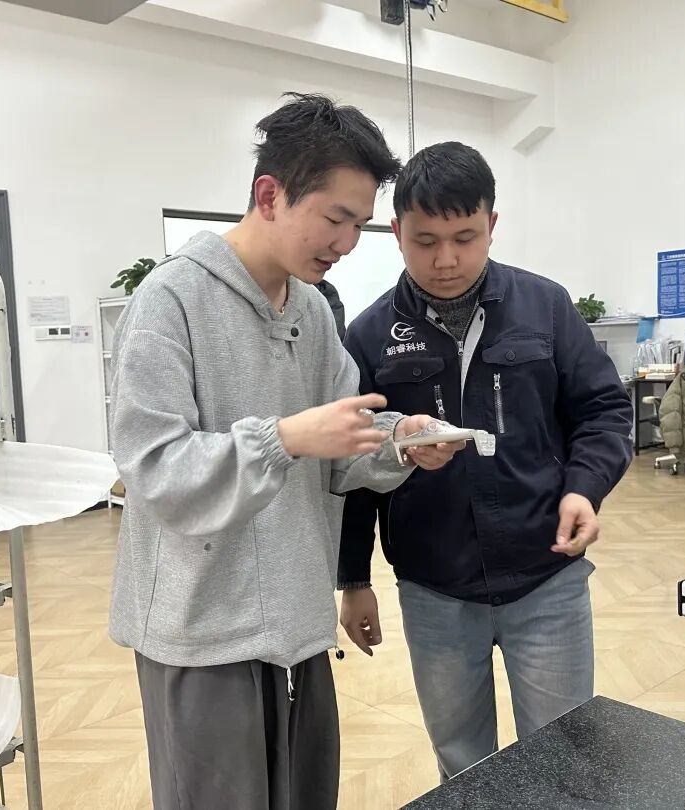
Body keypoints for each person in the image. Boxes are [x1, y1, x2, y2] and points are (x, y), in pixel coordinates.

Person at [108, 95, 464, 810]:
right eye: (336, 218)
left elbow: (340, 448)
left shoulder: (311, 311)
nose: (347, 242)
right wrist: (285, 438)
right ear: (270, 195)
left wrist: (399, 442)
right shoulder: (170, 300)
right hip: (202, 632)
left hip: (297, 625)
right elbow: (155, 471)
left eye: (359, 225)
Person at [337, 141, 633, 781]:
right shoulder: (369, 335)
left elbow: (604, 410)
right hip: (434, 587)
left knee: (565, 760)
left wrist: (583, 488)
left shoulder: (545, 307)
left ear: (492, 225)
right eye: (425, 241)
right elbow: (351, 463)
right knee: (463, 764)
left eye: (465, 238)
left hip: (545, 574)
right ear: (396, 233)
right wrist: (353, 578)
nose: (445, 260)